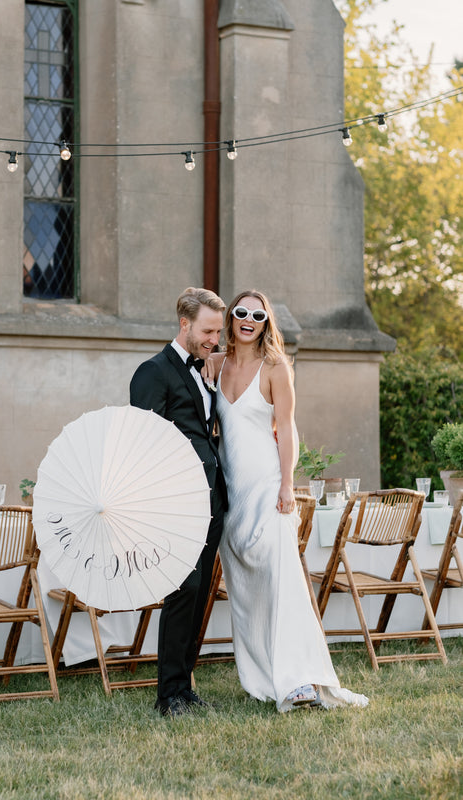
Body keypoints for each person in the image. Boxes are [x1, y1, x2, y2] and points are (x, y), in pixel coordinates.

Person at [205, 289, 368, 712]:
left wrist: (286, 484)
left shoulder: (276, 367)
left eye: (257, 315)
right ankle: (263, 676)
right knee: (246, 589)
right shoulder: (216, 365)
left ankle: (299, 682)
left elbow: (287, 428)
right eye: (240, 312)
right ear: (232, 320)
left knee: (284, 584)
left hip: (268, 488)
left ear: (265, 323)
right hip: (232, 494)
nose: (247, 320)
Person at [130, 287, 228, 717]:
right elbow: (146, 444)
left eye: (218, 332)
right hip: (177, 505)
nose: (214, 339)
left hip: (213, 501)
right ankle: (168, 695)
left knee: (200, 592)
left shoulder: (203, 370)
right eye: (208, 331)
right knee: (182, 592)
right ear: (184, 324)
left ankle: (185, 687)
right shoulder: (152, 372)